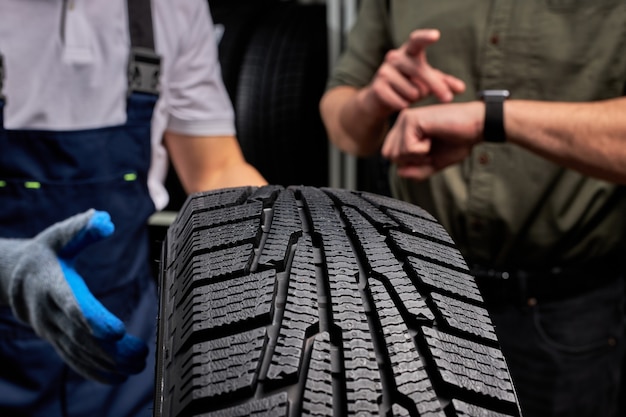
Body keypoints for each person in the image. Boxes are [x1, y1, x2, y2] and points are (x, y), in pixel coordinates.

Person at [320, 1, 626, 417]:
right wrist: (373, 101)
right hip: (412, 293)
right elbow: (344, 126)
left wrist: (492, 119)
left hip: (562, 309)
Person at [0, 1, 266, 416]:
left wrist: (294, 237)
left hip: (128, 354)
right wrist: (7, 268)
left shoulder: (173, 7)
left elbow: (215, 169)